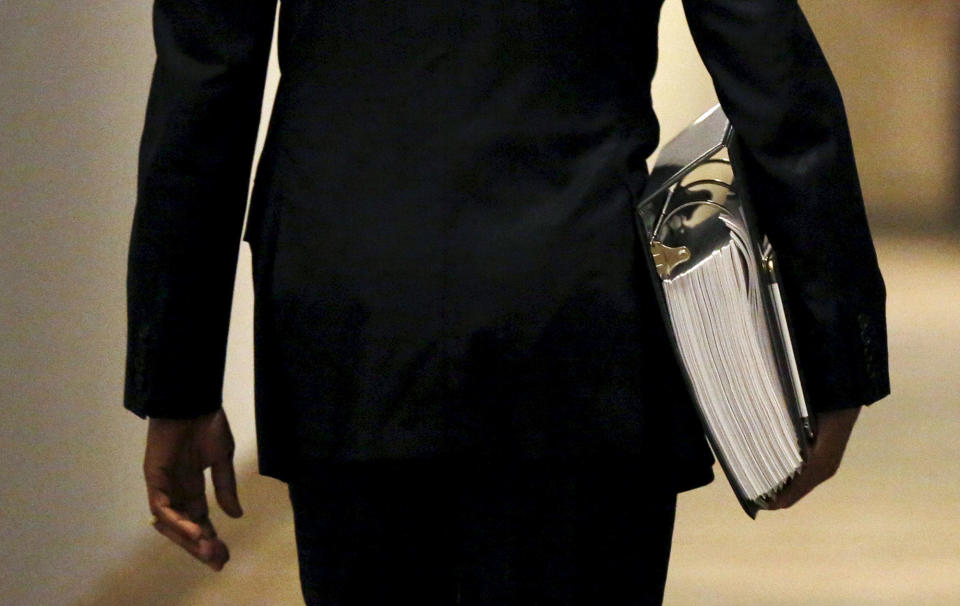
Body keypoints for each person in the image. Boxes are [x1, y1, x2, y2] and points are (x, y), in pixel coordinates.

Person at [126, 0, 890, 604]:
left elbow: (205, 84)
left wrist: (177, 378)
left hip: (352, 316)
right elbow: (775, 79)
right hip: (580, 306)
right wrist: (833, 352)